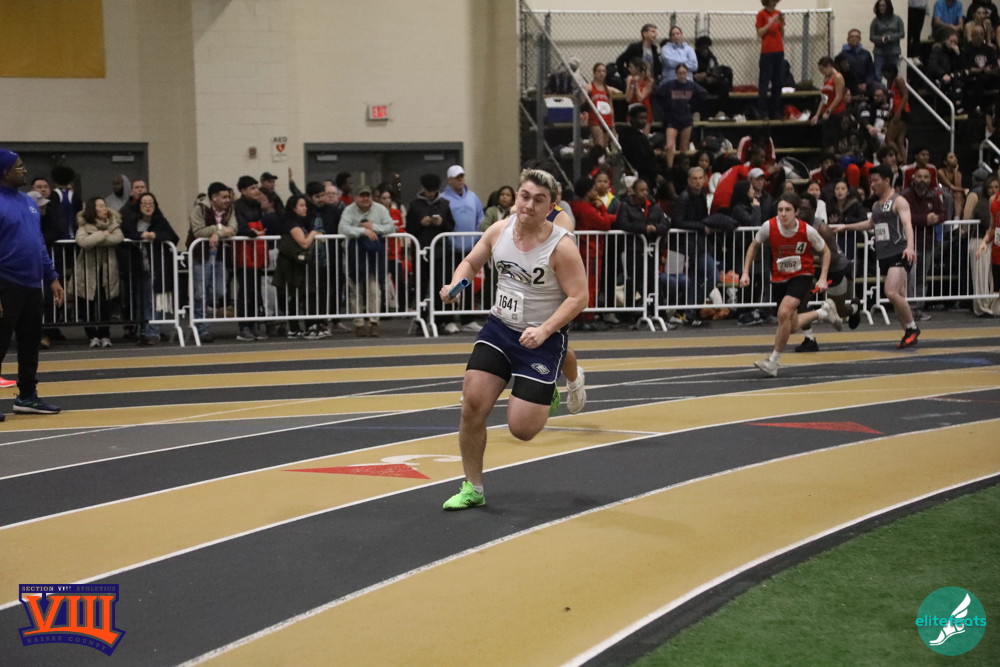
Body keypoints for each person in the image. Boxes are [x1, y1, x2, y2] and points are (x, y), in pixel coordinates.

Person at [439, 169, 588, 510]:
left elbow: (579, 297)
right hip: (499, 330)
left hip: (542, 339)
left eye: (539, 200)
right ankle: (473, 487)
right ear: (516, 196)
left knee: (522, 429)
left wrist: (545, 330)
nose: (529, 205)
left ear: (550, 206)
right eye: (525, 196)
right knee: (472, 406)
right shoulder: (499, 230)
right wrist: (456, 286)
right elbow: (471, 263)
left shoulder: (561, 246)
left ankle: (551, 383)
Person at [740, 193, 840, 377]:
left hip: (802, 275)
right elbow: (754, 245)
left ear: (796, 212)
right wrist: (745, 271)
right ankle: (823, 313)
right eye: (780, 210)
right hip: (779, 278)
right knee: (789, 325)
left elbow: (826, 252)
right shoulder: (769, 226)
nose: (783, 214)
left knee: (783, 312)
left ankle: (773, 361)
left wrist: (822, 277)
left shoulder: (807, 230)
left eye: (787, 210)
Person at [0, 149, 64, 417]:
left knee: (30, 342)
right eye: (19, 166)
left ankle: (27, 396)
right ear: (4, 172)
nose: (24, 170)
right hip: (5, 282)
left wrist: (52, 276)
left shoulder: (28, 202)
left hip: (32, 284)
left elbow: (37, 242)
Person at [830, 164, 921, 348]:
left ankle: (912, 328)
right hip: (885, 256)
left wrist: (910, 247)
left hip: (900, 252)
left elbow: (907, 225)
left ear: (887, 180)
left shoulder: (899, 201)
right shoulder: (876, 205)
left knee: (891, 292)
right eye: (871, 181)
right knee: (898, 296)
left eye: (876, 181)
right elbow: (870, 224)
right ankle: (908, 331)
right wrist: (846, 227)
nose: (872, 185)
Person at [120, 192, 179, 345]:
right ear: (139, 206)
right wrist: (140, 235)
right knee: (141, 301)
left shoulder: (160, 220)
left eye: (151, 203)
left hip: (156, 267)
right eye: (144, 203)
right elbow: (125, 234)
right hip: (137, 267)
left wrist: (155, 235)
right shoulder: (132, 220)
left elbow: (173, 237)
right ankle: (144, 331)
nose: (148, 206)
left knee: (154, 301)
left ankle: (153, 332)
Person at [338, 184, 396, 337]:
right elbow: (342, 228)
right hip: (354, 256)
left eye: (368, 195)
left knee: (374, 290)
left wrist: (373, 227)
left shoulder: (380, 209)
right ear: (356, 197)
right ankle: (359, 323)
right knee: (355, 290)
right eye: (362, 196)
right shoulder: (349, 210)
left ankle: (374, 322)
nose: (365, 198)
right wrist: (363, 231)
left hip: (374, 256)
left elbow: (391, 227)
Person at [72, 197, 124, 348]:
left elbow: (118, 238)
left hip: (107, 270)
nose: (104, 209)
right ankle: (92, 335)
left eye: (104, 206)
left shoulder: (113, 223)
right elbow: (83, 242)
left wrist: (98, 237)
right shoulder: (84, 225)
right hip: (88, 270)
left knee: (106, 303)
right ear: (92, 209)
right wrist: (104, 234)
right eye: (100, 206)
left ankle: (105, 334)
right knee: (87, 303)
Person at [188, 181, 237, 343]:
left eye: (228, 197)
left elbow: (234, 228)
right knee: (200, 293)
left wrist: (217, 234)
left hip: (220, 255)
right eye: (224, 197)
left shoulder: (230, 210)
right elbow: (198, 231)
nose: (228, 200)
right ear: (214, 198)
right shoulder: (199, 209)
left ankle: (202, 311)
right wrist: (219, 229)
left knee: (220, 290)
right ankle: (201, 328)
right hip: (200, 255)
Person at [903, 166, 945, 321]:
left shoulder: (933, 195)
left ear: (930, 179)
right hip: (909, 244)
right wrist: (925, 219)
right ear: (914, 177)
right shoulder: (906, 195)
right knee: (911, 278)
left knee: (922, 278)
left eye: (926, 177)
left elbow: (943, 213)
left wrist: (937, 218)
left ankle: (919, 309)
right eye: (919, 176)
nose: (922, 180)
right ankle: (909, 310)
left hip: (927, 243)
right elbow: (903, 216)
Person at [653, 63, 707, 168]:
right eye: (680, 73)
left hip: (686, 119)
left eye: (684, 73)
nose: (682, 75)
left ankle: (682, 168)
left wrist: (693, 106)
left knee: (684, 148)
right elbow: (657, 94)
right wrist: (665, 107)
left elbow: (703, 94)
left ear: (687, 73)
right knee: (669, 146)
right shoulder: (669, 85)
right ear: (676, 74)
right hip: (672, 119)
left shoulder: (692, 86)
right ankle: (669, 168)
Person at [811, 56, 849, 152]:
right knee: (827, 141)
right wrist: (817, 115)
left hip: (837, 112)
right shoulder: (826, 78)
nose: (822, 73)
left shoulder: (838, 77)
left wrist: (829, 110)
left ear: (829, 66)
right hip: (827, 114)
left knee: (836, 140)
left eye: (822, 70)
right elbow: (824, 98)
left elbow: (839, 96)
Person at [757, 0, 786, 120]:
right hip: (767, 52)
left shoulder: (778, 13)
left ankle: (775, 111)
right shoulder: (761, 14)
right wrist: (771, 22)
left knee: (777, 82)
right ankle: (762, 111)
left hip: (779, 50)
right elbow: (760, 33)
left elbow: (782, 33)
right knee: (764, 82)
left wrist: (781, 22)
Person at [584, 63, 621, 149]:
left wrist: (612, 124)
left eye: (604, 71)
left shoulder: (608, 89)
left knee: (605, 146)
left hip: (607, 119)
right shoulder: (590, 87)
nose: (601, 73)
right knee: (599, 145)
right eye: (599, 71)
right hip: (596, 120)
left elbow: (611, 107)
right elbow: (582, 97)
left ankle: (600, 157)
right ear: (594, 73)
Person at [871, 0, 906, 76]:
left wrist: (891, 37)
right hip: (879, 51)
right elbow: (872, 37)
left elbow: (902, 34)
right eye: (879, 6)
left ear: (888, 6)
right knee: (878, 74)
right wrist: (881, 39)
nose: (881, 8)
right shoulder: (875, 21)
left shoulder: (898, 19)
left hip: (893, 51)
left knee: (893, 74)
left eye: (883, 6)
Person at [842, 29, 877, 93]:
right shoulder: (842, 56)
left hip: (866, 86)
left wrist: (866, 84)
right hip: (849, 87)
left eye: (856, 37)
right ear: (848, 39)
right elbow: (842, 74)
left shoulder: (866, 54)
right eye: (851, 37)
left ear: (860, 39)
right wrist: (855, 86)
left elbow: (871, 73)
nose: (854, 39)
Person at [624, 58, 654, 134]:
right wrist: (632, 86)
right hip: (633, 109)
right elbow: (628, 98)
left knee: (644, 135)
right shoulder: (629, 79)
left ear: (637, 68)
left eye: (631, 67)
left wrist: (637, 85)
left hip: (644, 109)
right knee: (631, 133)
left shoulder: (648, 81)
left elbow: (640, 98)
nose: (629, 69)